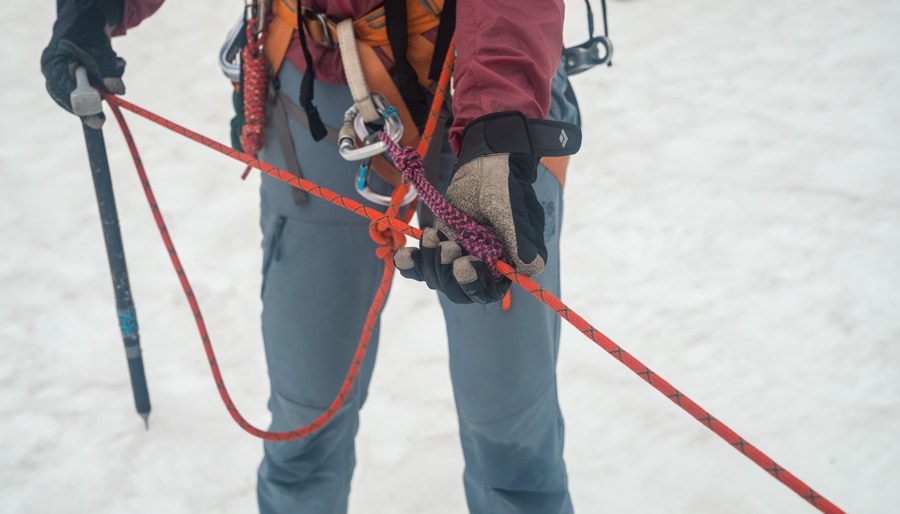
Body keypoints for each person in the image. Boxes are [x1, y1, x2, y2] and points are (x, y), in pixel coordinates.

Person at [42, 1, 582, 512]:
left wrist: (500, 124)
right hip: (319, 90)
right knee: (306, 420)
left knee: (511, 433)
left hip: (495, 85)